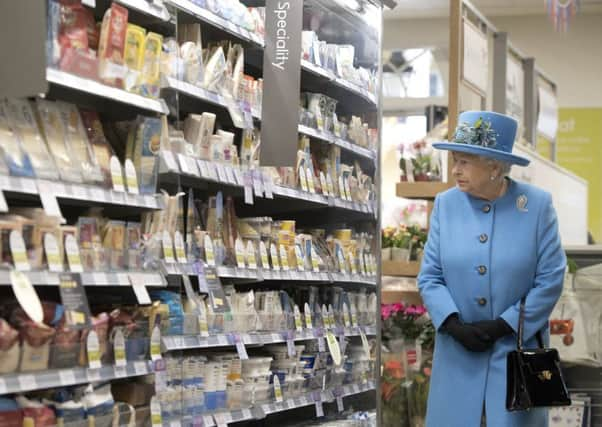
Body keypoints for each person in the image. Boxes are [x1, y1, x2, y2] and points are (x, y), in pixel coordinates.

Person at [418, 111, 566, 427]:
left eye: (464, 162)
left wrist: (505, 325)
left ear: (494, 166)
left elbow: (551, 278)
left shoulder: (537, 206)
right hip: (457, 354)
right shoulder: (446, 205)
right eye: (454, 160)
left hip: (515, 356)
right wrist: (453, 324)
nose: (455, 169)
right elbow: (430, 275)